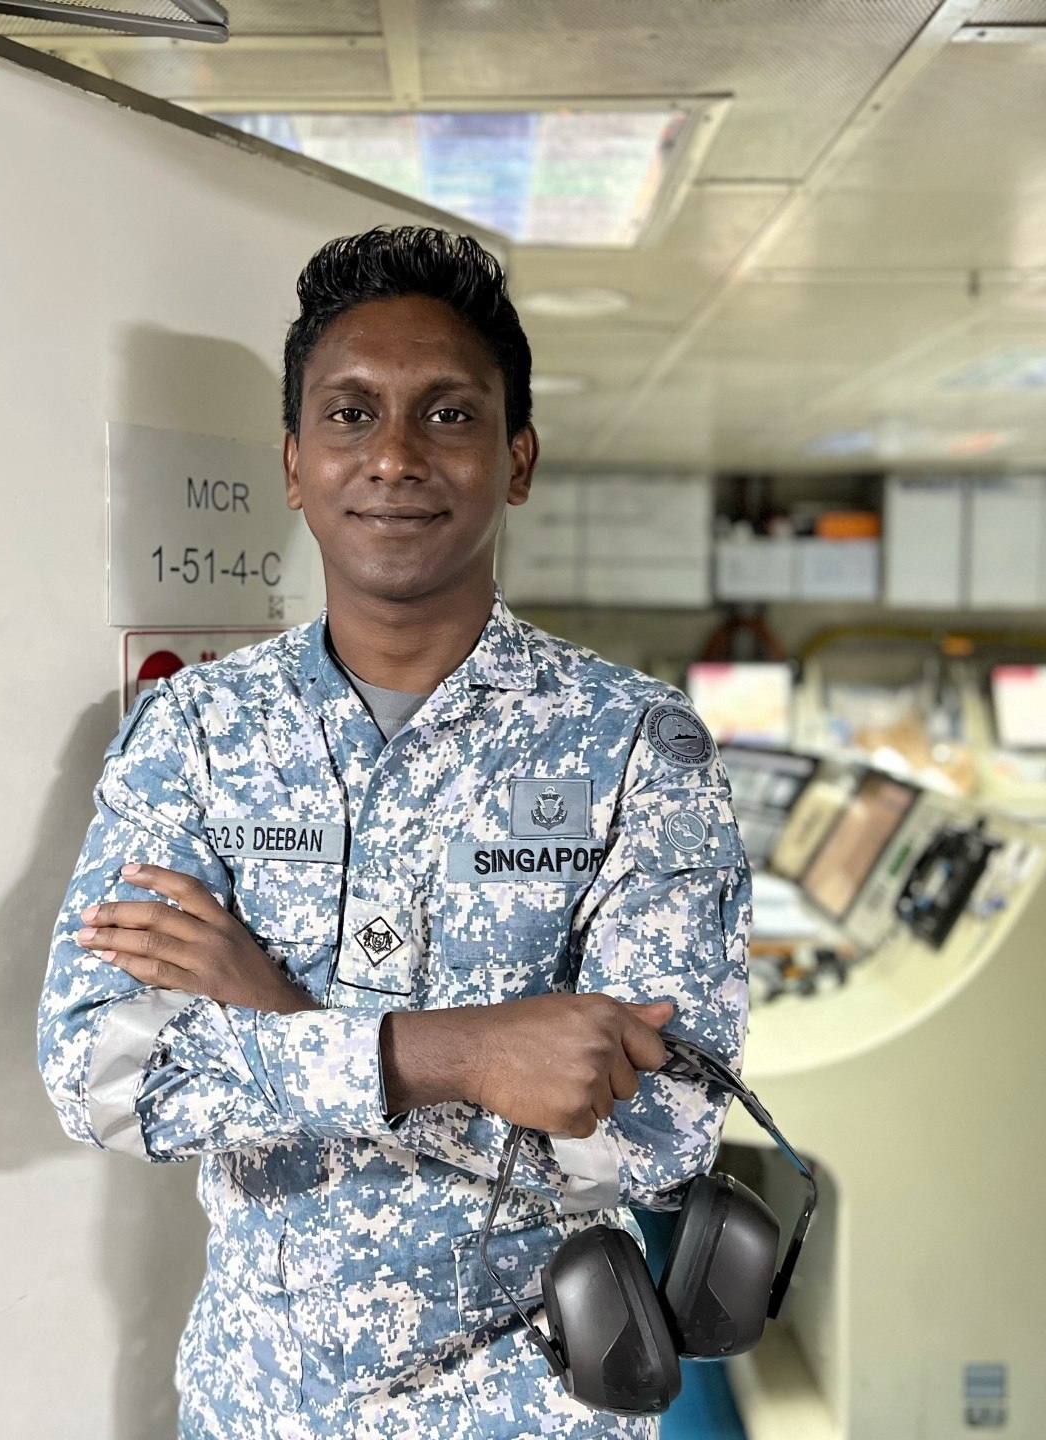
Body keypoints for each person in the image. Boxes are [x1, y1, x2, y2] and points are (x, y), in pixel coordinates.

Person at [39, 226, 751, 1440]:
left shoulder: (637, 747)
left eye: (450, 414)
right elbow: (102, 1075)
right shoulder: (195, 735)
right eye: (351, 413)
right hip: (261, 1406)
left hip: (533, 1407)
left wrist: (276, 1013)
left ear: (517, 460)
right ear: (294, 464)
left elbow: (657, 1133)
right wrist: (460, 1053)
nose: (395, 456)